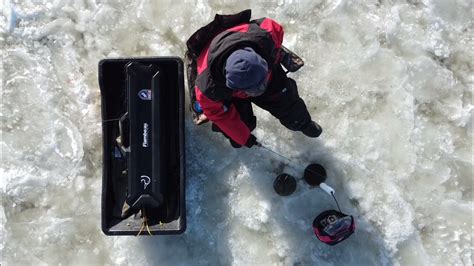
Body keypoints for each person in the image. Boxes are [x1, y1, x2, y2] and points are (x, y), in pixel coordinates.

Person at [185, 9, 322, 148]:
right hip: (229, 89)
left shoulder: (266, 36)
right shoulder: (208, 88)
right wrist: (243, 137)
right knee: (238, 132)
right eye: (252, 90)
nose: (258, 91)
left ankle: (303, 123)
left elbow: (276, 29)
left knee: (286, 101)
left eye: (259, 87)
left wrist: (275, 55)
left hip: (259, 62)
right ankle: (241, 125)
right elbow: (219, 114)